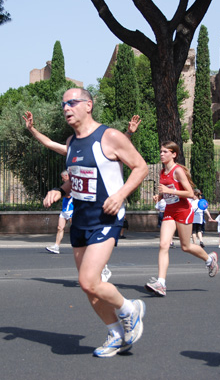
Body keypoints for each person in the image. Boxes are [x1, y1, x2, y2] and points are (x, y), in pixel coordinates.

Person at [41, 88, 148, 358]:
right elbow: (76, 179)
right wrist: (60, 190)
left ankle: (130, 308)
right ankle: (115, 334)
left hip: (107, 218)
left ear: (88, 105)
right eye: (63, 103)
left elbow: (141, 167)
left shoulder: (109, 136)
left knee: (88, 280)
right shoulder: (71, 142)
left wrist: (121, 194)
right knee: (90, 286)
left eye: (72, 102)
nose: (66, 108)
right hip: (80, 220)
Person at [24, 111, 140, 283]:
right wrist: (32, 130)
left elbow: (116, 149)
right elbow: (49, 143)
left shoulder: (106, 144)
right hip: (82, 211)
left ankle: (108, 279)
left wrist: (129, 133)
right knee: (86, 276)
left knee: (89, 278)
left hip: (105, 209)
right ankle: (101, 274)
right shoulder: (72, 148)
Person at [144, 141, 218, 297]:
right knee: (163, 244)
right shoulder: (162, 172)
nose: (161, 154)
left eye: (165, 151)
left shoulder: (178, 171)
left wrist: (167, 191)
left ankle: (209, 259)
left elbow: (190, 193)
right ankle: (161, 283)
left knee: (186, 246)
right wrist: (161, 196)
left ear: (173, 154)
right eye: (161, 151)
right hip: (170, 211)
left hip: (183, 211)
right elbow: (168, 190)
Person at [45, 171, 74, 255]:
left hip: (72, 210)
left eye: (63, 177)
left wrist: (59, 193)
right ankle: (56, 247)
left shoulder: (71, 185)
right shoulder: (64, 187)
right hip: (64, 210)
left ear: (66, 176)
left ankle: (83, 246)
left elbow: (68, 195)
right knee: (59, 228)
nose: (62, 179)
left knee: (75, 229)